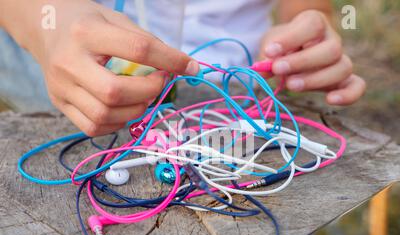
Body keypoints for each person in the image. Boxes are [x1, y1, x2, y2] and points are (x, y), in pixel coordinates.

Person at [0, 0, 366, 136]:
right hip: (93, 79)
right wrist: (47, 22)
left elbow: (306, 7)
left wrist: (305, 34)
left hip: (239, 93)